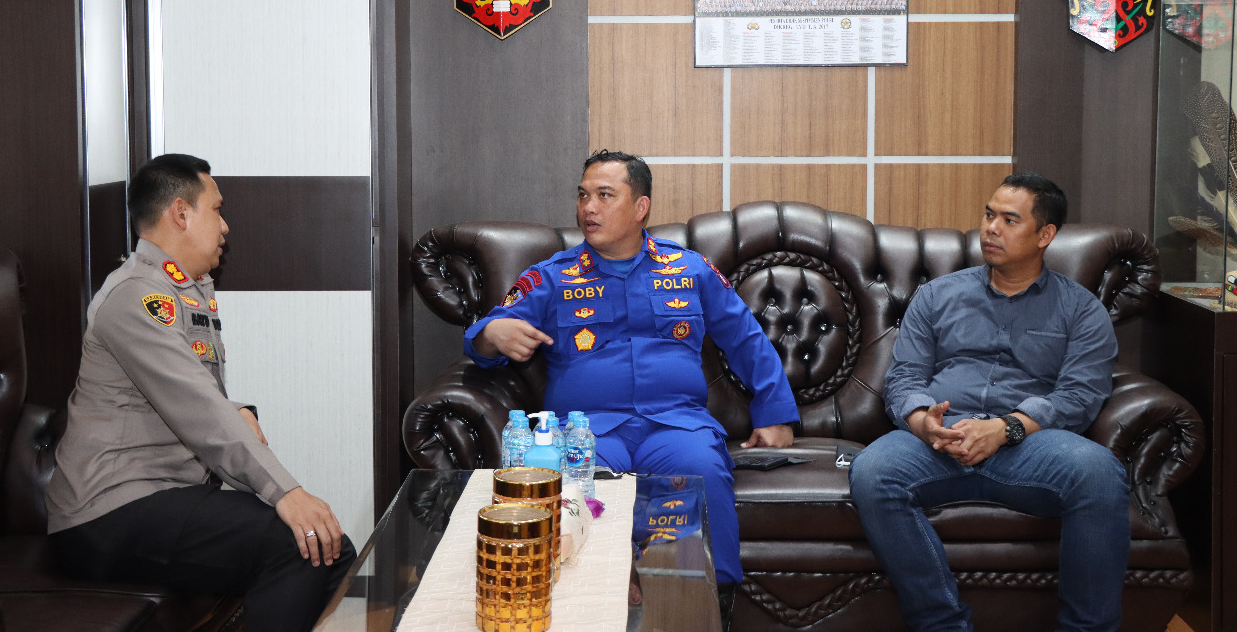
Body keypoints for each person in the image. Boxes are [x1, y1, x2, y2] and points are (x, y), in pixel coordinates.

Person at [46, 154, 354, 632]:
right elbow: (198, 408)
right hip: (107, 510)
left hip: (157, 495)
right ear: (181, 213)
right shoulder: (137, 297)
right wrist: (286, 492)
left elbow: (182, 394)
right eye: (217, 209)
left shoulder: (181, 289)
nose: (225, 225)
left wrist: (235, 410)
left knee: (328, 548)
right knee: (305, 545)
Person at [466, 149, 799, 590]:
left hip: (676, 426)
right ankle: (591, 601)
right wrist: (494, 333)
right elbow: (483, 339)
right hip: (589, 432)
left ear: (641, 207)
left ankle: (701, 603)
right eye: (583, 195)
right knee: (576, 497)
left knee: (701, 472)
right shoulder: (551, 277)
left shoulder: (689, 269)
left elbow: (746, 339)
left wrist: (775, 413)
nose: (588, 208)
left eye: (604, 195)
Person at [849, 173, 1129, 632]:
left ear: (1045, 235)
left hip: (1029, 446)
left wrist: (1005, 428)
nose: (991, 229)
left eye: (1009, 220)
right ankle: (942, 624)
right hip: (942, 439)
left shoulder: (1081, 310)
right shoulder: (937, 296)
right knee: (873, 471)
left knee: (1099, 473)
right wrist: (922, 422)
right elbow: (904, 378)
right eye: (988, 214)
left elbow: (1079, 395)